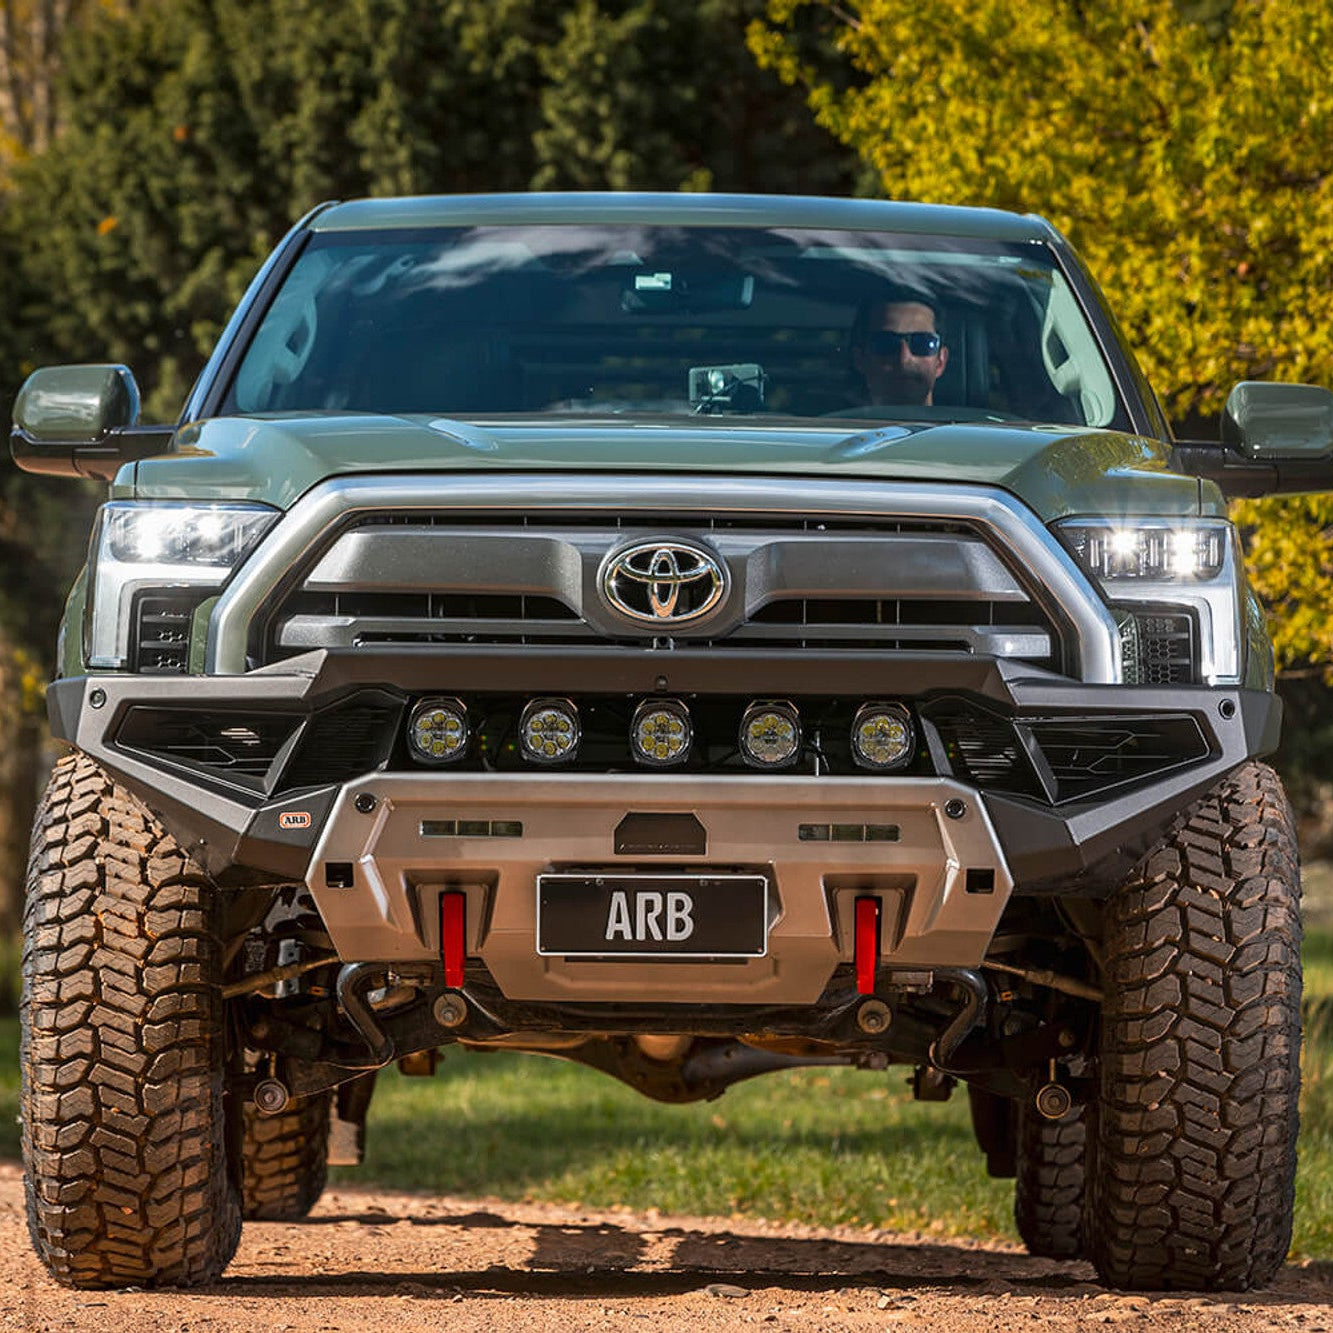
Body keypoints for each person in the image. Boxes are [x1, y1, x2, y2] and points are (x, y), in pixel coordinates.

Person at [850, 290, 949, 406]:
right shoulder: (828, 424)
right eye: (886, 343)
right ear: (860, 359)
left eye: (922, 342)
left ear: (941, 361)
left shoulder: (972, 424)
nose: (904, 357)